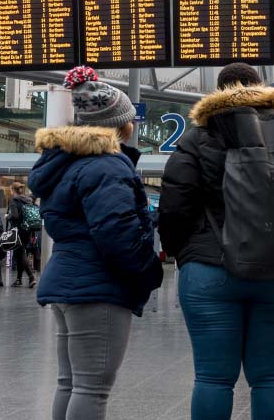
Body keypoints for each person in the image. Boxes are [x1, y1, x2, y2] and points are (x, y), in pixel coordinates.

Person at [158, 62, 274, 420]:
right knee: (271, 376)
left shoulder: (195, 140)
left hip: (209, 271)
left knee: (214, 378)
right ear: (261, 89)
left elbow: (173, 206)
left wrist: (186, 254)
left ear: (217, 93)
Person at [28, 66, 164, 420]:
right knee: (91, 388)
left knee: (70, 383)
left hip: (68, 281)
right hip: (97, 287)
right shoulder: (107, 166)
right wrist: (150, 272)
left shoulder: (68, 163)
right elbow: (116, 232)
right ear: (119, 124)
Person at [7, 182, 37, 287]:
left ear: (13, 190)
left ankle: (31, 276)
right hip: (27, 230)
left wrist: (7, 216)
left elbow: (14, 216)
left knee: (21, 253)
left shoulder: (13, 200)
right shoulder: (27, 200)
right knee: (19, 253)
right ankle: (19, 280)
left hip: (18, 230)